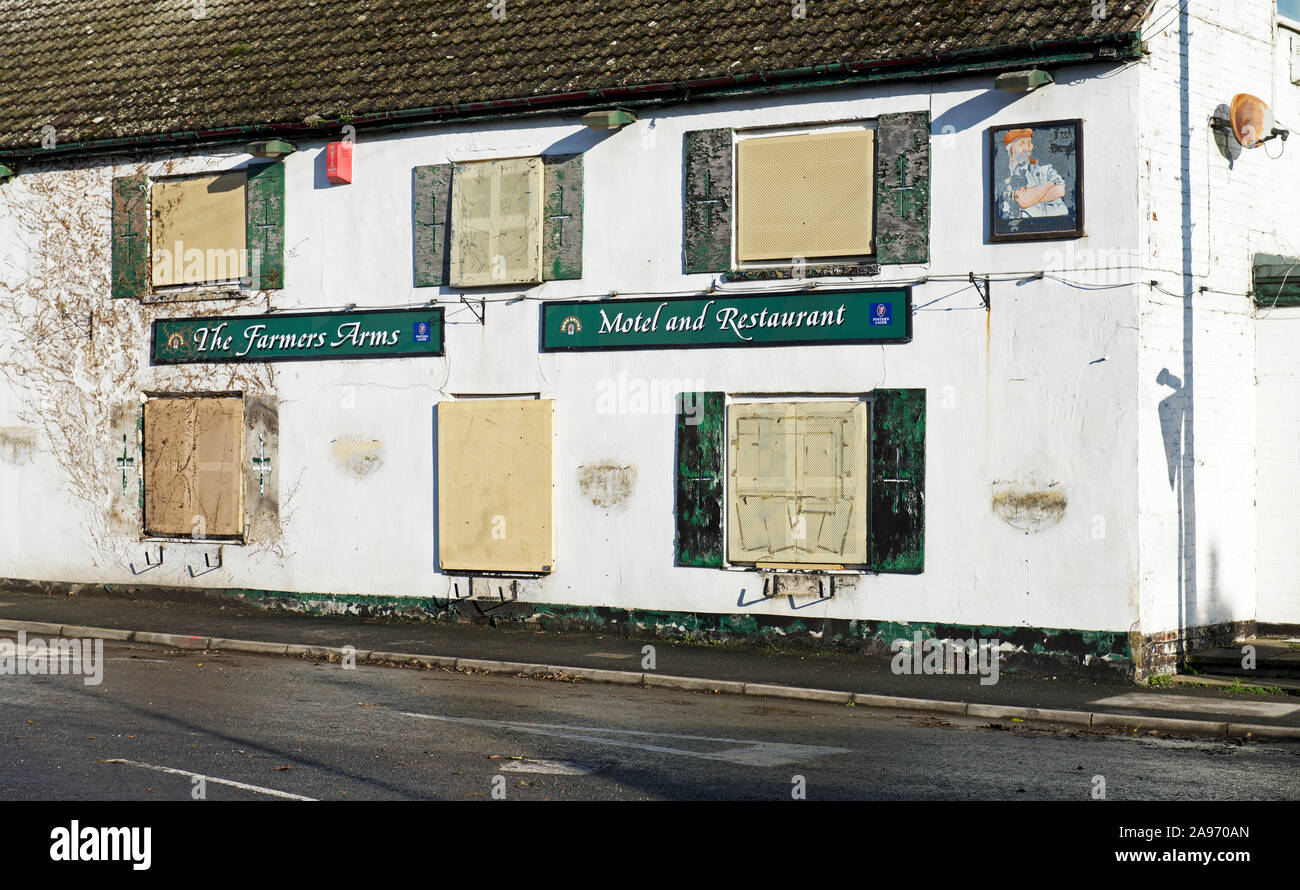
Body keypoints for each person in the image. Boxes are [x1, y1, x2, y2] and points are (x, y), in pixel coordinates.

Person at [999, 129, 1068, 218]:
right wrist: (1050, 184)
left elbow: (1061, 189)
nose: (1027, 147)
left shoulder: (1042, 167)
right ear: (1010, 148)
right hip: (1025, 226)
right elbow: (1022, 200)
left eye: (1029, 143)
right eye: (1021, 143)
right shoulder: (1005, 174)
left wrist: (1032, 198)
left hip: (1059, 221)